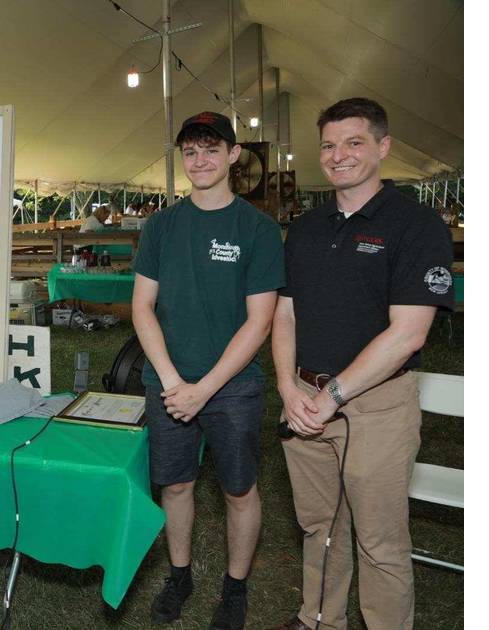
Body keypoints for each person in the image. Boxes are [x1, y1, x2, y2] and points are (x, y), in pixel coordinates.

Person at [267, 98, 454, 630]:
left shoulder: (415, 225)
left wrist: (332, 397)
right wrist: (287, 386)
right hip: (305, 401)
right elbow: (285, 313)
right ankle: (320, 618)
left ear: (383, 147)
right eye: (328, 145)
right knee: (319, 527)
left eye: (353, 142)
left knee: (378, 539)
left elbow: (409, 332)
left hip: (375, 406)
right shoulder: (306, 227)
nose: (338, 155)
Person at [132, 111, 284, 628]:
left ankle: (235, 588)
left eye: (211, 149)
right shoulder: (162, 225)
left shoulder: (258, 229)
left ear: (234, 154)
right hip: (168, 382)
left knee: (238, 489)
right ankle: (181, 575)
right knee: (175, 486)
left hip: (233, 387)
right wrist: (175, 382)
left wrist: (205, 389)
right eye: (191, 151)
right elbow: (142, 308)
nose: (200, 160)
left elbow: (260, 322)